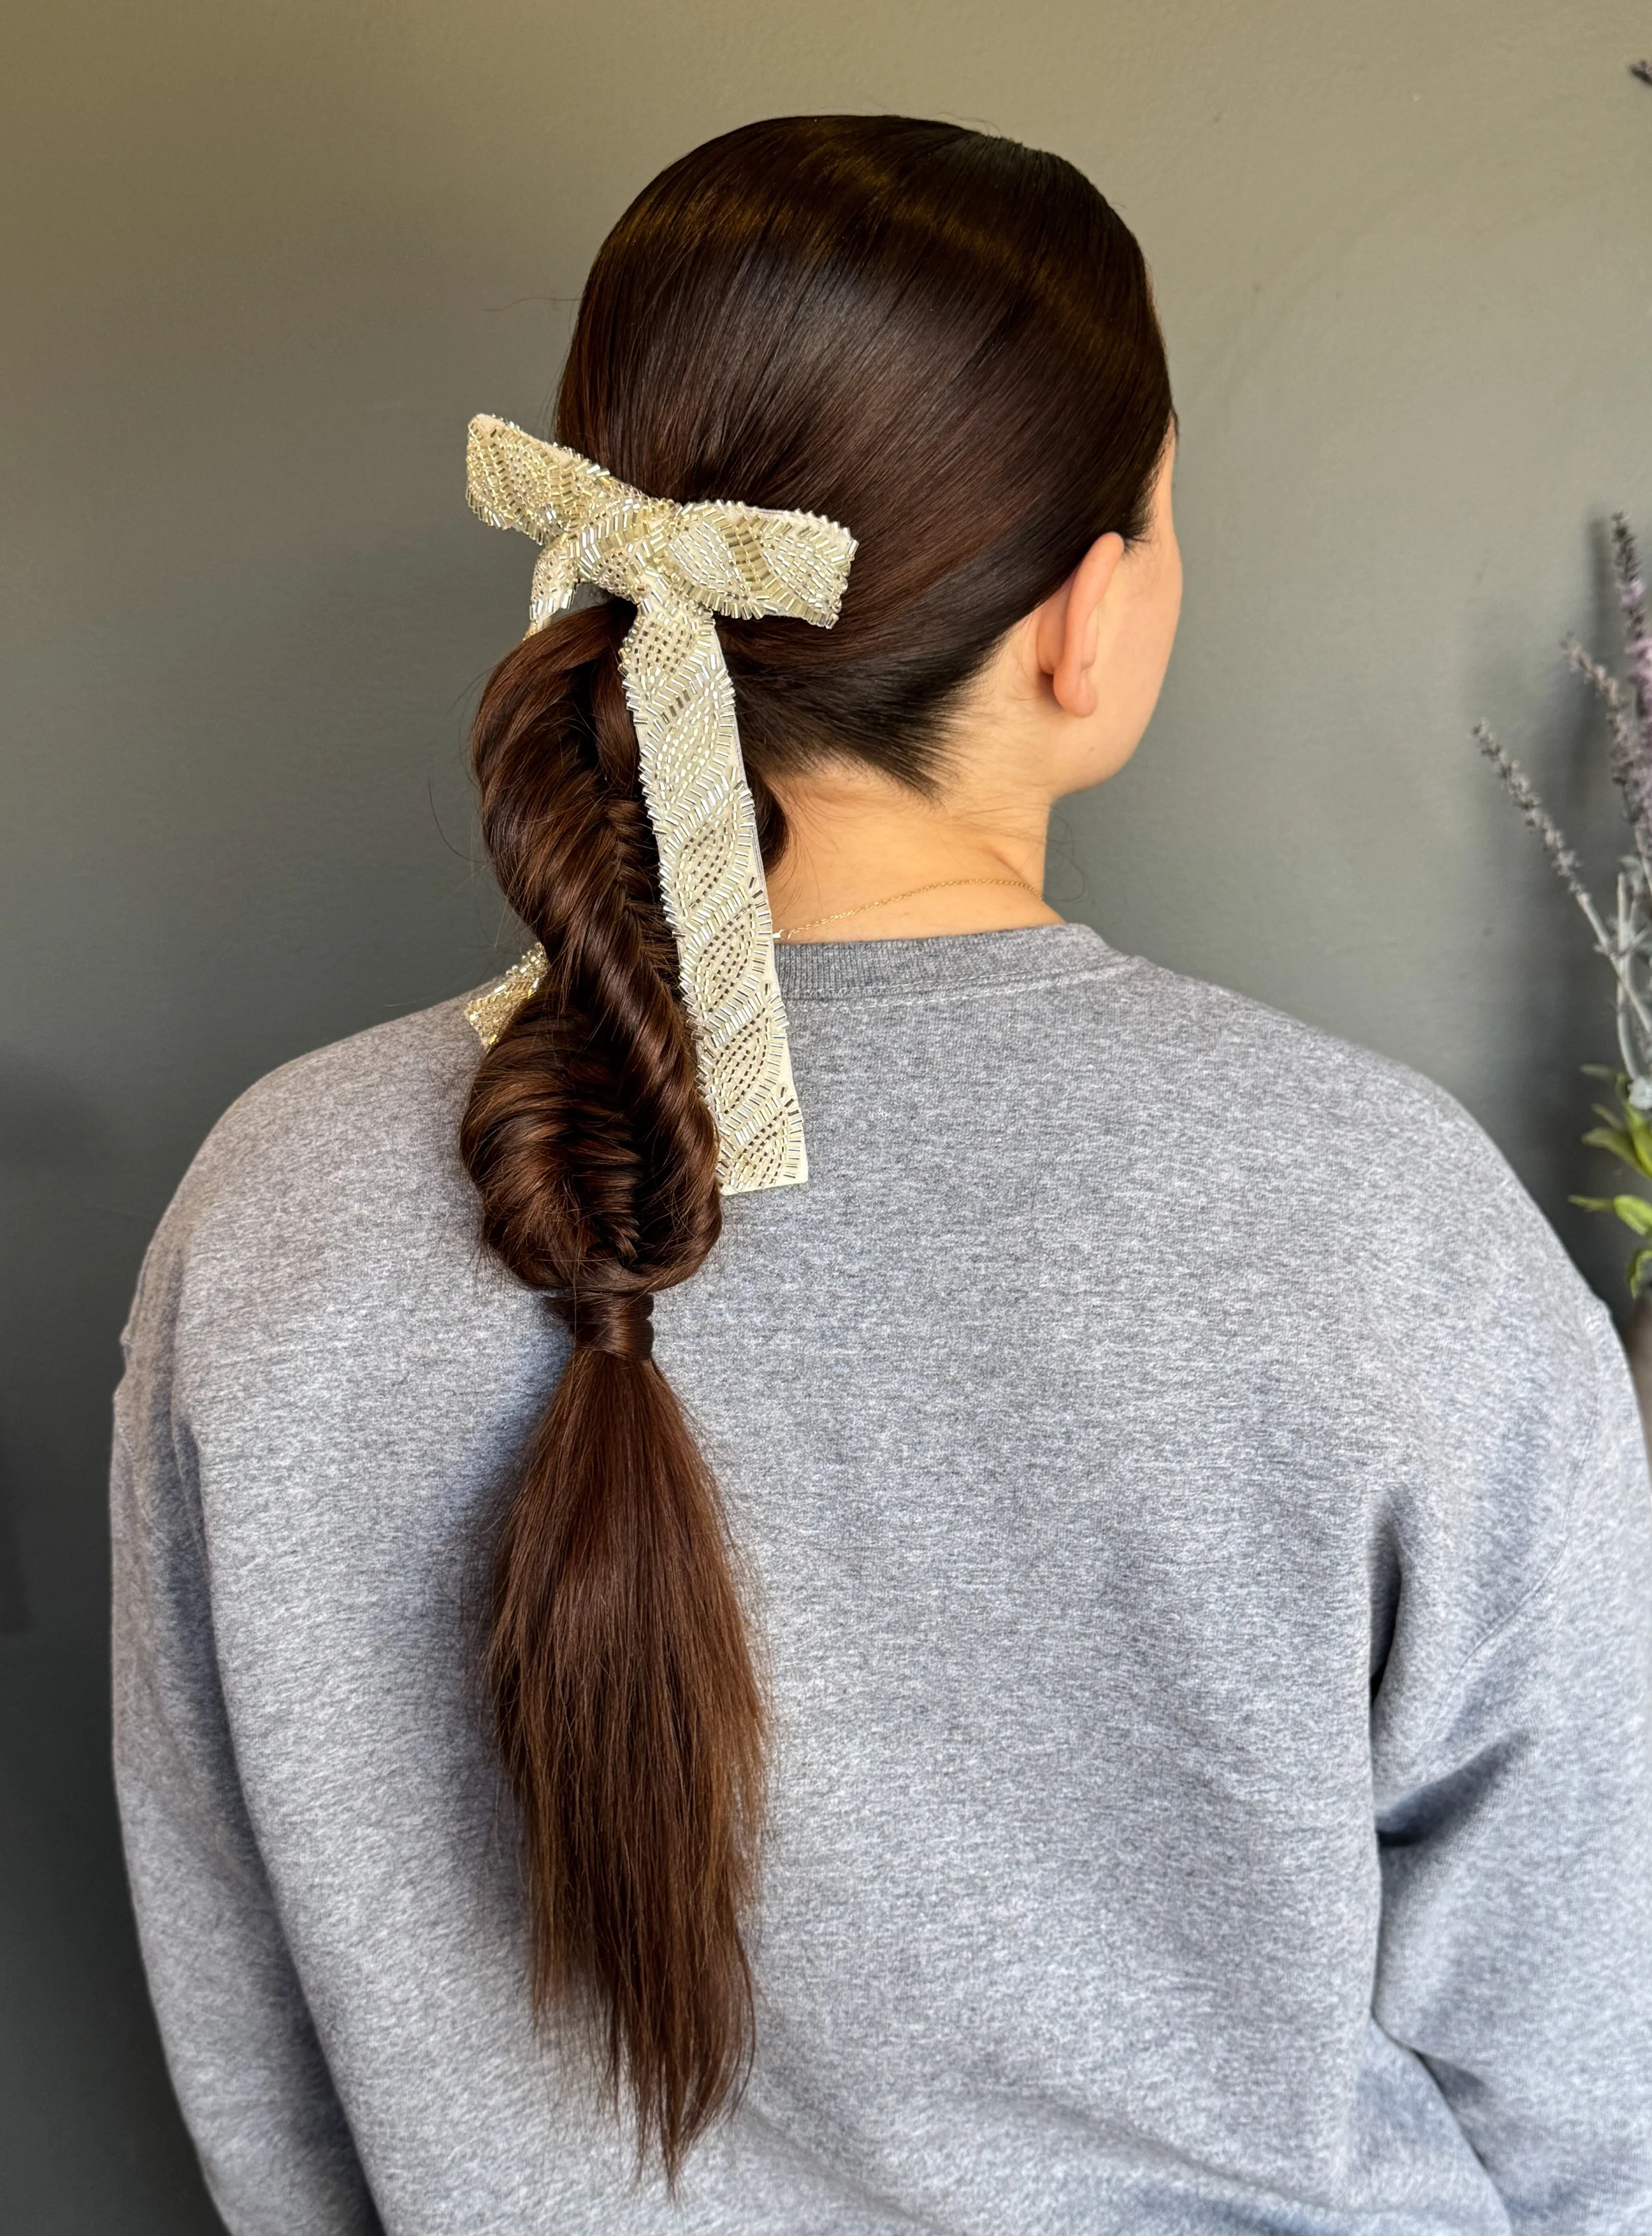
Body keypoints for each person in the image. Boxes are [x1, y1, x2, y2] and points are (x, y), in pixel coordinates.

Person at [111, 115, 1652, 2236]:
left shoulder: (268, 1208)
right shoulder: (1376, 1223)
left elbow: (260, 2069)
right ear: (1081, 619)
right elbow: (1586, 2094)